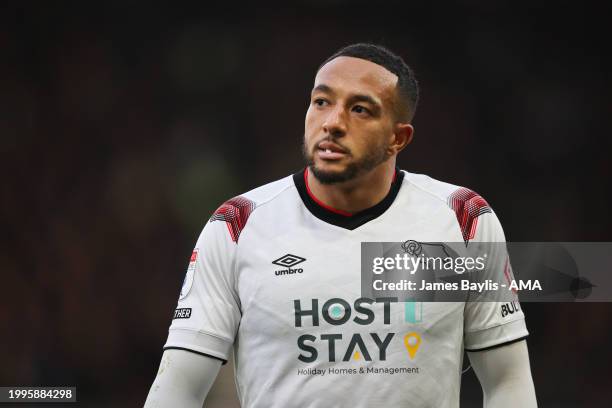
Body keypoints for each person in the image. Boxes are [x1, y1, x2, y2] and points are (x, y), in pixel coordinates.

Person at [144, 43, 537, 408]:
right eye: (321, 102)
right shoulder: (237, 224)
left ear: (398, 138)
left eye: (360, 109)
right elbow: (178, 388)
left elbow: (507, 380)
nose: (332, 122)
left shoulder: (462, 219)